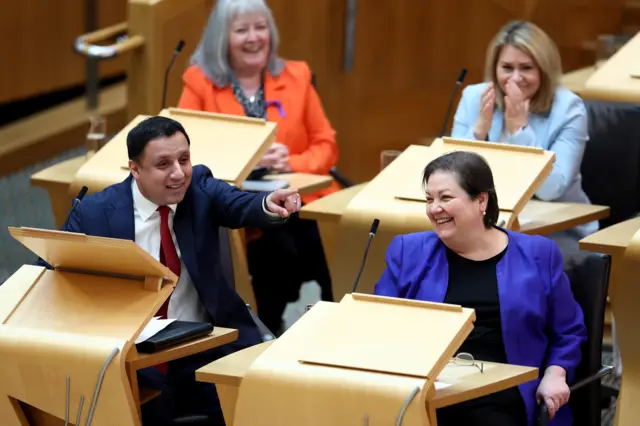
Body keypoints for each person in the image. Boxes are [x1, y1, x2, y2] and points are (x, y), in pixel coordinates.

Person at [59, 116, 300, 425]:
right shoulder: (95, 213)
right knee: (153, 405)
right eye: (163, 165)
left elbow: (238, 203)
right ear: (135, 169)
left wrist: (267, 203)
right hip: (135, 353)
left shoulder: (199, 187)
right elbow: (52, 272)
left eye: (183, 159)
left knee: (261, 396)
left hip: (204, 341)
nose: (178, 173)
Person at [374, 151, 586, 426]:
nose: (434, 208)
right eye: (429, 199)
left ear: (481, 200)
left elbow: (568, 331)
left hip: (502, 393)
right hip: (427, 390)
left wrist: (555, 374)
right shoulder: (409, 252)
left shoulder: (537, 254)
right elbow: (378, 325)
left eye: (445, 198)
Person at [177, 0, 338, 334]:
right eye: (241, 30)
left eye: (260, 27)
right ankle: (268, 328)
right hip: (238, 202)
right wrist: (244, 162)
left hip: (304, 196)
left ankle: (330, 331)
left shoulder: (297, 75)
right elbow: (185, 153)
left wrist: (291, 161)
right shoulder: (199, 83)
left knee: (329, 242)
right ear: (222, 37)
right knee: (278, 249)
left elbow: (326, 144)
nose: (253, 38)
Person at [451, 20, 597, 240]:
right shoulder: (474, 98)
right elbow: (450, 178)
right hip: (487, 224)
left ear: (544, 70)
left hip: (557, 229)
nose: (515, 78)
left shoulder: (568, 109)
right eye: (507, 68)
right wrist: (479, 131)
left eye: (526, 68)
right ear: (494, 68)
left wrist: (520, 130)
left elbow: (551, 191)